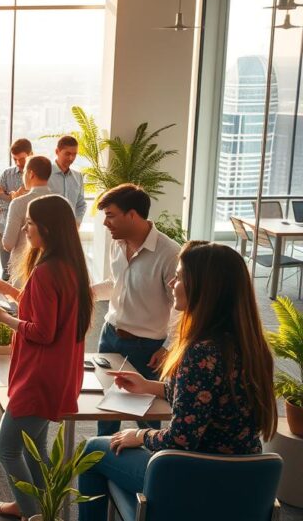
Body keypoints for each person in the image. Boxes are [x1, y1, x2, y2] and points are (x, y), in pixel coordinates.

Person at [78, 241, 278, 521]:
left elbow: (181, 439)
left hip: (193, 477)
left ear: (204, 288)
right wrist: (152, 387)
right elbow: (212, 398)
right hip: (244, 479)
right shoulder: (251, 346)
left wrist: (140, 435)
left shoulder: (200, 351)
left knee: (92, 450)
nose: (172, 281)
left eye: (181, 276)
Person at [0, 195, 94, 520]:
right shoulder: (68, 266)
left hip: (38, 376)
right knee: (35, 448)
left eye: (30, 223)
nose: (25, 229)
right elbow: (50, 314)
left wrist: (3, 319)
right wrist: (13, 293)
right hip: (57, 372)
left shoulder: (46, 272)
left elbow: (43, 331)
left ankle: (34, 513)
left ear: (47, 227)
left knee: (7, 448)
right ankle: (37, 506)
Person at [92, 183, 180, 436]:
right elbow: (117, 283)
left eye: (110, 215)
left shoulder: (169, 253)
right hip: (109, 335)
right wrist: (87, 291)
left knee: (148, 414)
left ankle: (148, 469)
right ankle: (104, 454)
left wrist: (168, 347)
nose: (105, 223)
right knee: (106, 407)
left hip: (148, 347)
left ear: (132, 215)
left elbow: (180, 307)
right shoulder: (117, 244)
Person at [1, 156, 53, 285]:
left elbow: (8, 244)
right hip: (52, 269)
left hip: (23, 270)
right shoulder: (61, 202)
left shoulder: (19, 203)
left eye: (24, 172)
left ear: (31, 174)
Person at [0, 139, 32, 282]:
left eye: (22, 159)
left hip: (26, 230)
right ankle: (5, 303)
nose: (18, 163)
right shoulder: (7, 174)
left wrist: (7, 196)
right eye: (15, 159)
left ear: (31, 154)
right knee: (6, 271)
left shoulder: (36, 176)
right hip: (5, 228)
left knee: (24, 272)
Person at [47, 135, 86, 226]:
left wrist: (77, 223)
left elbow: (81, 204)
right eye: (67, 154)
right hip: (49, 229)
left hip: (70, 230)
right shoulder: (45, 174)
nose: (71, 158)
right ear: (57, 151)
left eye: (74, 154)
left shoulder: (78, 176)